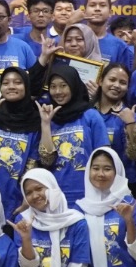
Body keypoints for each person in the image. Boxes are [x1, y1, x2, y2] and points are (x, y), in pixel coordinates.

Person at [12, 168, 91, 267]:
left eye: (39, 188)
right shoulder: (23, 220)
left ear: (52, 187)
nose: (35, 195)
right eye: (28, 193)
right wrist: (26, 239)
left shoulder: (76, 222)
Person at [0, 66, 47, 216]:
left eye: (17, 82)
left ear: (26, 86)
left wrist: (27, 196)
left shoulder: (35, 120)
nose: (11, 86)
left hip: (15, 197)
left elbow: (32, 164)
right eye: (6, 83)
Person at [40, 63, 106, 203]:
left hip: (89, 192)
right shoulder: (48, 118)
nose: (58, 91)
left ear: (73, 85)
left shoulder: (91, 116)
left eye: (63, 85)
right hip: (56, 194)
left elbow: (104, 155)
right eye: (53, 86)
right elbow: (47, 161)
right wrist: (45, 124)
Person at [92, 62, 136, 177]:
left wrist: (131, 124)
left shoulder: (131, 116)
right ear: (101, 81)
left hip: (125, 180)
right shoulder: (88, 113)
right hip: (94, 179)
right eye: (112, 80)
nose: (117, 85)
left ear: (127, 88)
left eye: (123, 83)